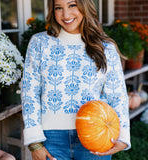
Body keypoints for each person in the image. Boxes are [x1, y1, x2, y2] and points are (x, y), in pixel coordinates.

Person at [21, 0, 131, 160]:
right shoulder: (39, 43)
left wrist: (122, 136)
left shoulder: (105, 47)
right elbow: (29, 93)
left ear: (85, 5)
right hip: (50, 139)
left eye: (72, 5)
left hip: (96, 134)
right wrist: (34, 142)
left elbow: (117, 95)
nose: (66, 15)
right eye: (59, 8)